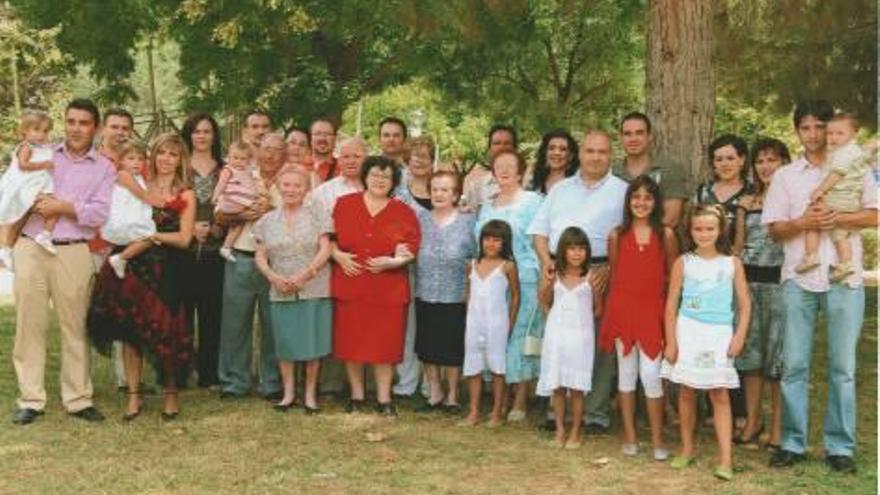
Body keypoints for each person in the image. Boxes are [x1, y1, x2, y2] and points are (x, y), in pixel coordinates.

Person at [763, 100, 877, 473]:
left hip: (844, 277)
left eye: (818, 127)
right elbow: (775, 228)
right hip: (799, 277)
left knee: (842, 367)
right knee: (795, 365)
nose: (812, 135)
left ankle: (839, 447)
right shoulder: (785, 176)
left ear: (830, 129)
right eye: (804, 128)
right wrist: (803, 221)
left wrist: (837, 217)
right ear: (797, 131)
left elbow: (876, 214)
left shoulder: (855, 166)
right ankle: (793, 443)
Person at [11, 98, 115, 425]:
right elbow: (14, 192)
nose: (76, 128)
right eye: (71, 121)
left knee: (75, 326)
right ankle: (31, 399)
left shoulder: (105, 167)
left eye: (84, 123)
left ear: (95, 128)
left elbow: (98, 213)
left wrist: (63, 207)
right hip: (31, 246)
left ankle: (78, 398)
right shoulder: (42, 154)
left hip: (73, 249)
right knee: (30, 324)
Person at [88, 132, 196, 420]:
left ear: (181, 159)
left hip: (169, 269)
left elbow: (185, 238)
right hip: (134, 268)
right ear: (153, 156)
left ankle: (171, 395)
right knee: (130, 333)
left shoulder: (186, 193)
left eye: (173, 154)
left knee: (169, 331)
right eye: (161, 152)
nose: (166, 159)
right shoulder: (137, 185)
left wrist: (152, 236)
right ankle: (134, 396)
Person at [528, 129, 627, 433]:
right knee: (558, 341)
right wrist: (547, 263)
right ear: (579, 154)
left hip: (600, 271)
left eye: (602, 152)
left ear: (611, 155)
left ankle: (594, 413)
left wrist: (611, 266)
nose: (595, 157)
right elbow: (540, 232)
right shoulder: (560, 189)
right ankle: (555, 411)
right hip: (559, 271)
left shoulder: (623, 190)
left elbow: (631, 234)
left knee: (598, 344)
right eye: (590, 151)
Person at [662, 204, 751, 481]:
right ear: (690, 230)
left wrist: (739, 336)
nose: (704, 233)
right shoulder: (683, 262)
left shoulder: (731, 264)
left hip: (719, 334)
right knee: (687, 391)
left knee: (719, 393)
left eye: (710, 228)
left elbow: (745, 305)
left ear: (720, 230)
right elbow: (670, 305)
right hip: (688, 330)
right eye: (698, 228)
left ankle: (725, 457)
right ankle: (687, 447)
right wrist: (671, 341)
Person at [331, 156, 420, 415]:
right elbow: (327, 237)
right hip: (352, 283)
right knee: (351, 343)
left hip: (387, 289)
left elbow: (411, 248)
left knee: (385, 345)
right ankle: (357, 397)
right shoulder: (344, 205)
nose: (380, 180)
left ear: (393, 182)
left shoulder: (404, 212)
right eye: (375, 174)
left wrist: (394, 262)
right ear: (365, 177)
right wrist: (336, 255)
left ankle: (384, 399)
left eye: (386, 176)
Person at [600, 176, 678, 460]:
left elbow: (673, 278)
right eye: (636, 197)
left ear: (655, 202)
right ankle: (630, 435)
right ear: (628, 201)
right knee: (627, 375)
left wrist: (669, 318)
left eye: (647, 197)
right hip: (623, 311)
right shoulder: (616, 235)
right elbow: (616, 276)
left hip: (652, 312)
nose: (641, 203)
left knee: (651, 375)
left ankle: (658, 439)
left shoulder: (666, 235)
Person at [253, 167, 333, 413]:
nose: (291, 190)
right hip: (281, 289)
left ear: (305, 189)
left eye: (297, 185)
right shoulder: (266, 221)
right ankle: (288, 394)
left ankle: (309, 395)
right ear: (278, 187)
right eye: (286, 185)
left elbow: (326, 248)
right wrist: (272, 276)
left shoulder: (317, 213)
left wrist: (306, 274)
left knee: (312, 344)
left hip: (313, 287)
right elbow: (260, 255)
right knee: (285, 343)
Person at [475, 150, 544, 422]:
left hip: (526, 277)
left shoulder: (533, 202)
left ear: (521, 172)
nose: (503, 171)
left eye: (510, 167)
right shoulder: (487, 206)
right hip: (492, 282)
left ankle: (520, 399)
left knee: (521, 337)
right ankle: (498, 400)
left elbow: (542, 238)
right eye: (498, 166)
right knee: (496, 337)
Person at [731, 137, 790, 452]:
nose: (766, 166)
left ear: (784, 163)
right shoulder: (746, 203)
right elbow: (739, 248)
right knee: (750, 358)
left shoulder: (794, 201)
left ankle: (779, 427)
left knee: (777, 360)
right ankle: (753, 421)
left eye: (773, 160)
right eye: (761, 160)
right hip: (749, 287)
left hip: (781, 285)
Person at [217, 133, 285, 401]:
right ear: (257, 151)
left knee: (273, 324)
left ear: (284, 154)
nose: (270, 155)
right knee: (235, 323)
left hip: (276, 262)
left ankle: (272, 382)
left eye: (277, 150)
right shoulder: (242, 174)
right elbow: (219, 213)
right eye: (265, 149)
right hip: (241, 256)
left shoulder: (290, 180)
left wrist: (269, 209)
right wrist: (242, 214)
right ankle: (235, 381)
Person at [413, 171, 476, 413]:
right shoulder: (421, 219)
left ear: (456, 194)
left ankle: (452, 395)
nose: (439, 194)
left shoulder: (468, 220)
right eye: (435, 189)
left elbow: (476, 254)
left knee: (452, 347)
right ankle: (434, 392)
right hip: (426, 292)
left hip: (456, 294)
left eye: (445, 190)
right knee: (428, 345)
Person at [536, 227, 601, 449]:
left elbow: (598, 310)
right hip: (557, 336)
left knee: (577, 389)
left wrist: (595, 293)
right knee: (558, 387)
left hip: (581, 338)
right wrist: (547, 281)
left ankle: (575, 432)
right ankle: (560, 430)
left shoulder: (591, 276)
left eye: (581, 248)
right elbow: (545, 302)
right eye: (571, 248)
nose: (576, 253)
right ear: (562, 251)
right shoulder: (555, 275)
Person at [797, 113, 876, 282]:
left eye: (840, 133)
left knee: (812, 218)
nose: (833, 137)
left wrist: (820, 190)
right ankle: (846, 263)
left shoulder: (844, 153)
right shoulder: (856, 152)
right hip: (849, 201)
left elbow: (836, 174)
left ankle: (811, 255)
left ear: (853, 134)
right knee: (840, 234)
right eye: (830, 133)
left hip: (839, 197)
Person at [181, 112, 226, 389]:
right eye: (196, 131)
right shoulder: (179, 167)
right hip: (183, 251)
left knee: (212, 315)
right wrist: (186, 228)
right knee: (182, 314)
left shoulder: (226, 168)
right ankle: (181, 370)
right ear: (189, 135)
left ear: (214, 136)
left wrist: (217, 229)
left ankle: (209, 372)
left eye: (207, 131)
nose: (201, 136)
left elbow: (234, 205)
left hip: (215, 251)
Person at [462, 220, 519, 427]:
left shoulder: (508, 266)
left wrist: (510, 322)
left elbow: (515, 296)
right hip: (474, 322)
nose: (491, 244)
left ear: (505, 243)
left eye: (497, 240)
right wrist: (468, 315)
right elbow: (468, 292)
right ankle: (474, 411)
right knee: (473, 366)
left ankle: (496, 412)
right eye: (487, 239)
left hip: (497, 323)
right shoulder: (472, 264)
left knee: (497, 367)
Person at [392, 136, 434, 399]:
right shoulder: (398, 192)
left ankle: (431, 384)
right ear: (406, 159)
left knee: (431, 326)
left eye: (425, 155)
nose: (419, 160)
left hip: (436, 270)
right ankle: (406, 382)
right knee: (406, 327)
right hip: (404, 267)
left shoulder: (443, 187)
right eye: (414, 155)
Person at [0, 111, 56, 267]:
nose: (41, 135)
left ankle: (43, 235)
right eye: (36, 130)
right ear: (24, 131)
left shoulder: (43, 147)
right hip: (23, 186)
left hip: (36, 186)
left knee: (47, 209)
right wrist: (43, 164)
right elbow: (22, 165)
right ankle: (5, 249)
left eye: (45, 131)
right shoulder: (26, 146)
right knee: (15, 218)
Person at [614, 112, 689, 228]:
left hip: (657, 241)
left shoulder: (668, 169)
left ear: (649, 136)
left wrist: (640, 240)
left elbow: (671, 218)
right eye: (627, 134)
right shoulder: (612, 172)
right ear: (621, 138)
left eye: (639, 133)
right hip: (619, 241)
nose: (633, 139)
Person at [101, 140, 160, 279]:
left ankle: (122, 258)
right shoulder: (122, 175)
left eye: (140, 159)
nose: (137, 162)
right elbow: (142, 195)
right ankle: (120, 258)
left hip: (130, 221)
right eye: (131, 158)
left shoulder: (139, 177)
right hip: (124, 221)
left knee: (148, 238)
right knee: (150, 237)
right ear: (121, 161)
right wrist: (162, 203)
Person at [213, 141, 267, 262]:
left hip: (239, 203)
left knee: (238, 225)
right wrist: (215, 196)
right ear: (229, 157)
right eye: (235, 158)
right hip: (233, 200)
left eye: (243, 159)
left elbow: (254, 176)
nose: (238, 161)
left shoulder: (247, 170)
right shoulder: (228, 170)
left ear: (248, 160)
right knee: (259, 208)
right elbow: (221, 184)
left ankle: (226, 247)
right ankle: (256, 233)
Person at [692, 134, 751, 244]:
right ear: (713, 163)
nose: (724, 164)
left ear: (742, 160)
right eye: (719, 159)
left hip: (747, 259)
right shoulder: (702, 193)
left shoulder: (753, 191)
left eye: (730, 158)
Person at [462, 125, 517, 208]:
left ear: (515, 148)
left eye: (507, 143)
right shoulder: (478, 187)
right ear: (489, 149)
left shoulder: (529, 184)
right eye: (497, 143)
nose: (502, 147)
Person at [528, 129, 579, 194]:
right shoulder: (534, 181)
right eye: (551, 148)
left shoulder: (577, 183)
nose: (556, 153)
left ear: (571, 156)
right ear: (545, 153)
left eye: (563, 149)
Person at [310, 119, 338, 183]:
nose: (322, 138)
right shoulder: (300, 166)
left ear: (335, 139)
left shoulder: (343, 169)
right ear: (310, 138)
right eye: (318, 134)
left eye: (327, 134)